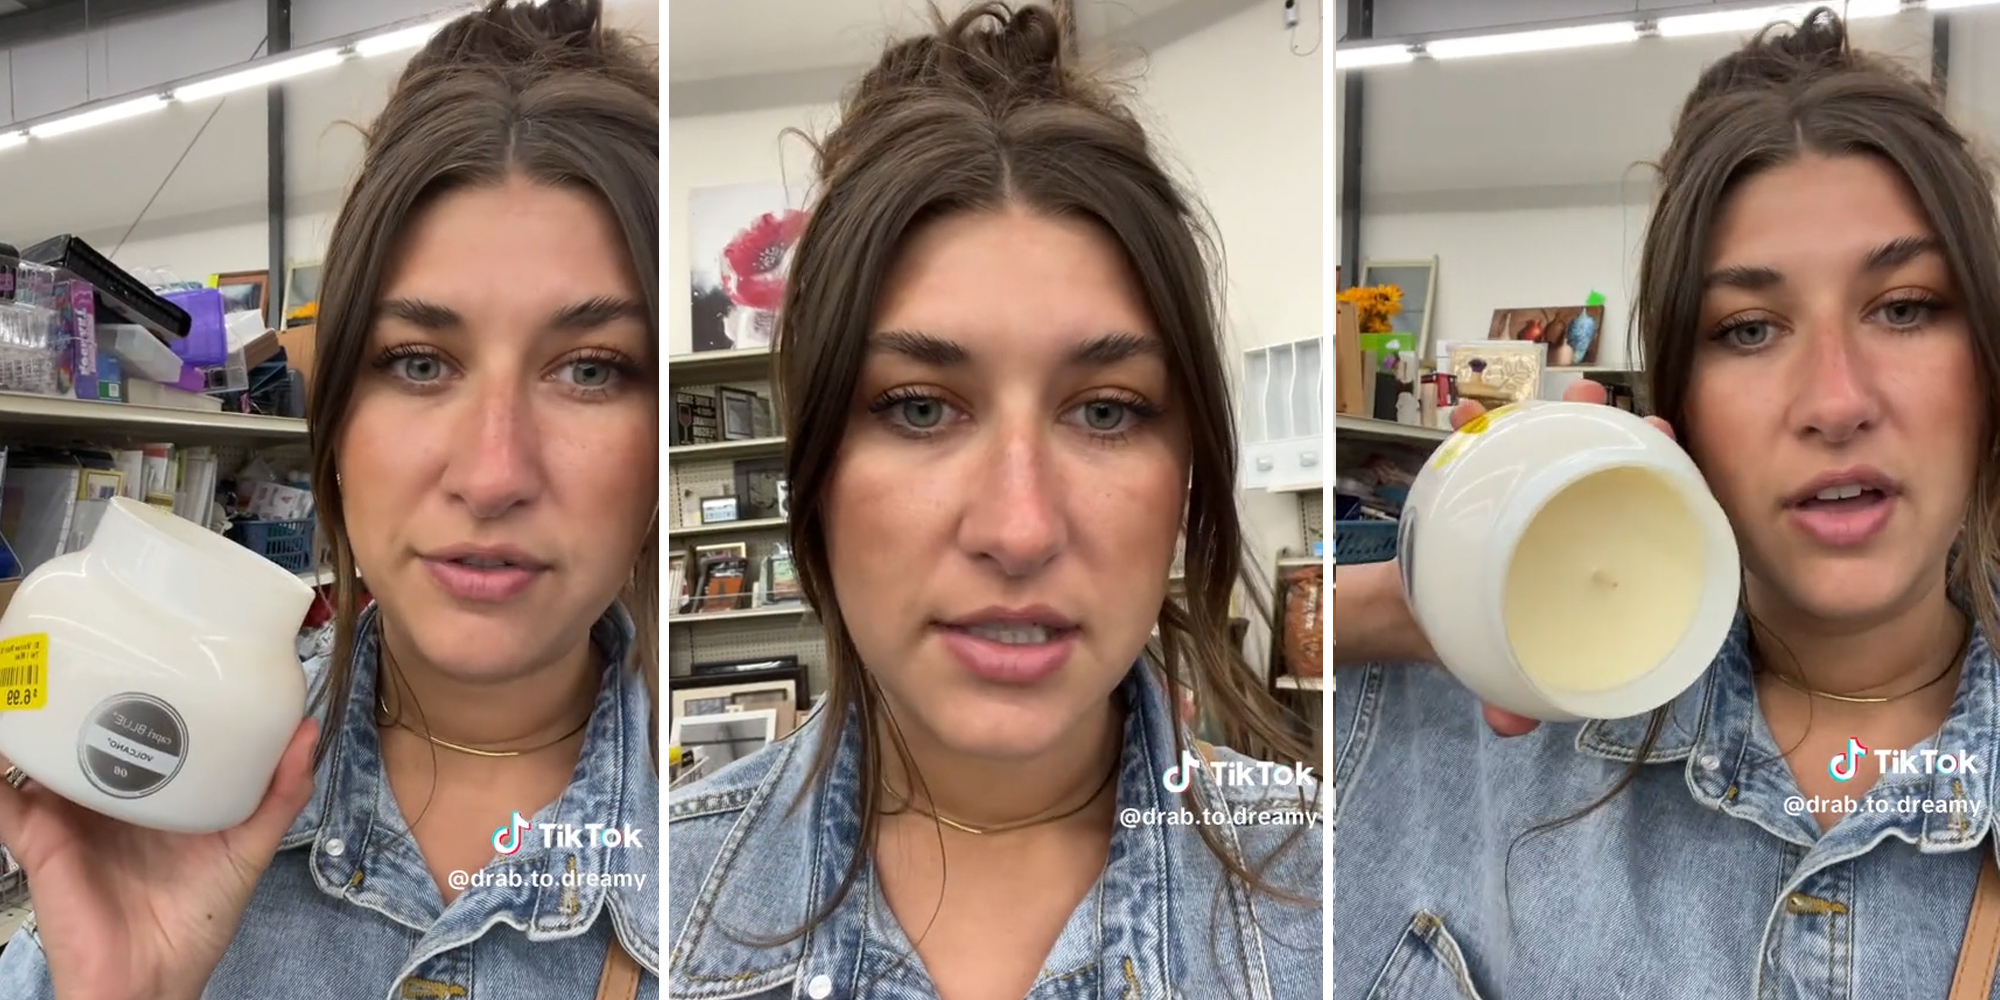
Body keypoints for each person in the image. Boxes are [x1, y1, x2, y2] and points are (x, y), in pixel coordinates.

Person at [1334, 9, 2000, 998]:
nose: (1835, 402)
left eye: (1903, 308)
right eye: (1748, 329)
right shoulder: (1462, 709)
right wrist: (1398, 601)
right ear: (1678, 400)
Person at [0, 3, 661, 998]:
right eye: (419, 361)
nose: (492, 475)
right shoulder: (158, 782)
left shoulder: (758, 872)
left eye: (591, 370)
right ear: (337, 417)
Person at [667, 5, 1322, 999]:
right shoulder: (657, 908)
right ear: (817, 463)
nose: (1019, 530)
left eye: (1105, 411)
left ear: (1187, 462)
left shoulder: (1323, 897)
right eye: (920, 407)